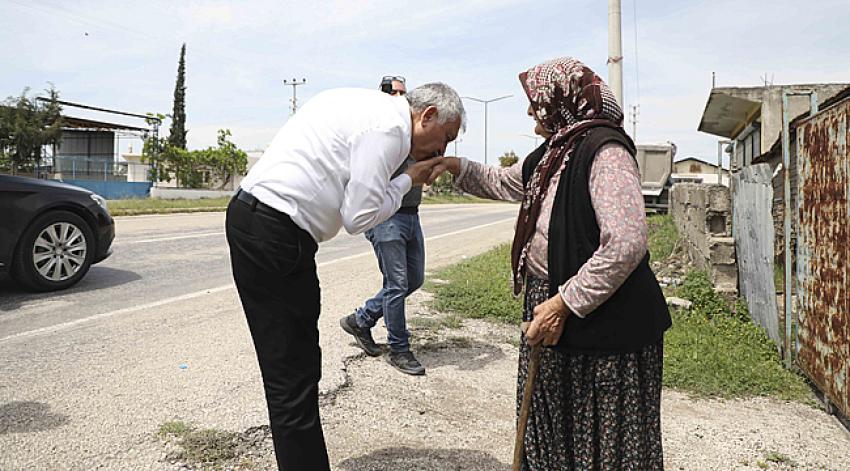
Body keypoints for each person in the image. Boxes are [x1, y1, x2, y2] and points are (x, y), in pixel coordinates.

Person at [439, 57, 671, 470]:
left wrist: (564, 303)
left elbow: (626, 243)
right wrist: (452, 165)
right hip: (551, 305)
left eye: (537, 101)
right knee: (552, 422)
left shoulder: (606, 152)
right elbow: (507, 182)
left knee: (600, 434)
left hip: (600, 319)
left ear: (562, 100)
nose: (531, 111)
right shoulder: (555, 151)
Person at [226, 83, 465, 470]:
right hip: (275, 231)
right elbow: (359, 216)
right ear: (429, 115)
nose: (442, 151)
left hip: (263, 221)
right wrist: (408, 180)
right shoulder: (389, 130)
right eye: (445, 139)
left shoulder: (366, 105)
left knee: (295, 368)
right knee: (293, 376)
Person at [339, 75, 427, 375]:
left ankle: (360, 320)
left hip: (411, 214)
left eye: (403, 93)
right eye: (393, 92)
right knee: (397, 284)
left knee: (414, 280)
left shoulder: (412, 130)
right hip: (387, 217)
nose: (399, 97)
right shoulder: (381, 129)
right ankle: (399, 350)